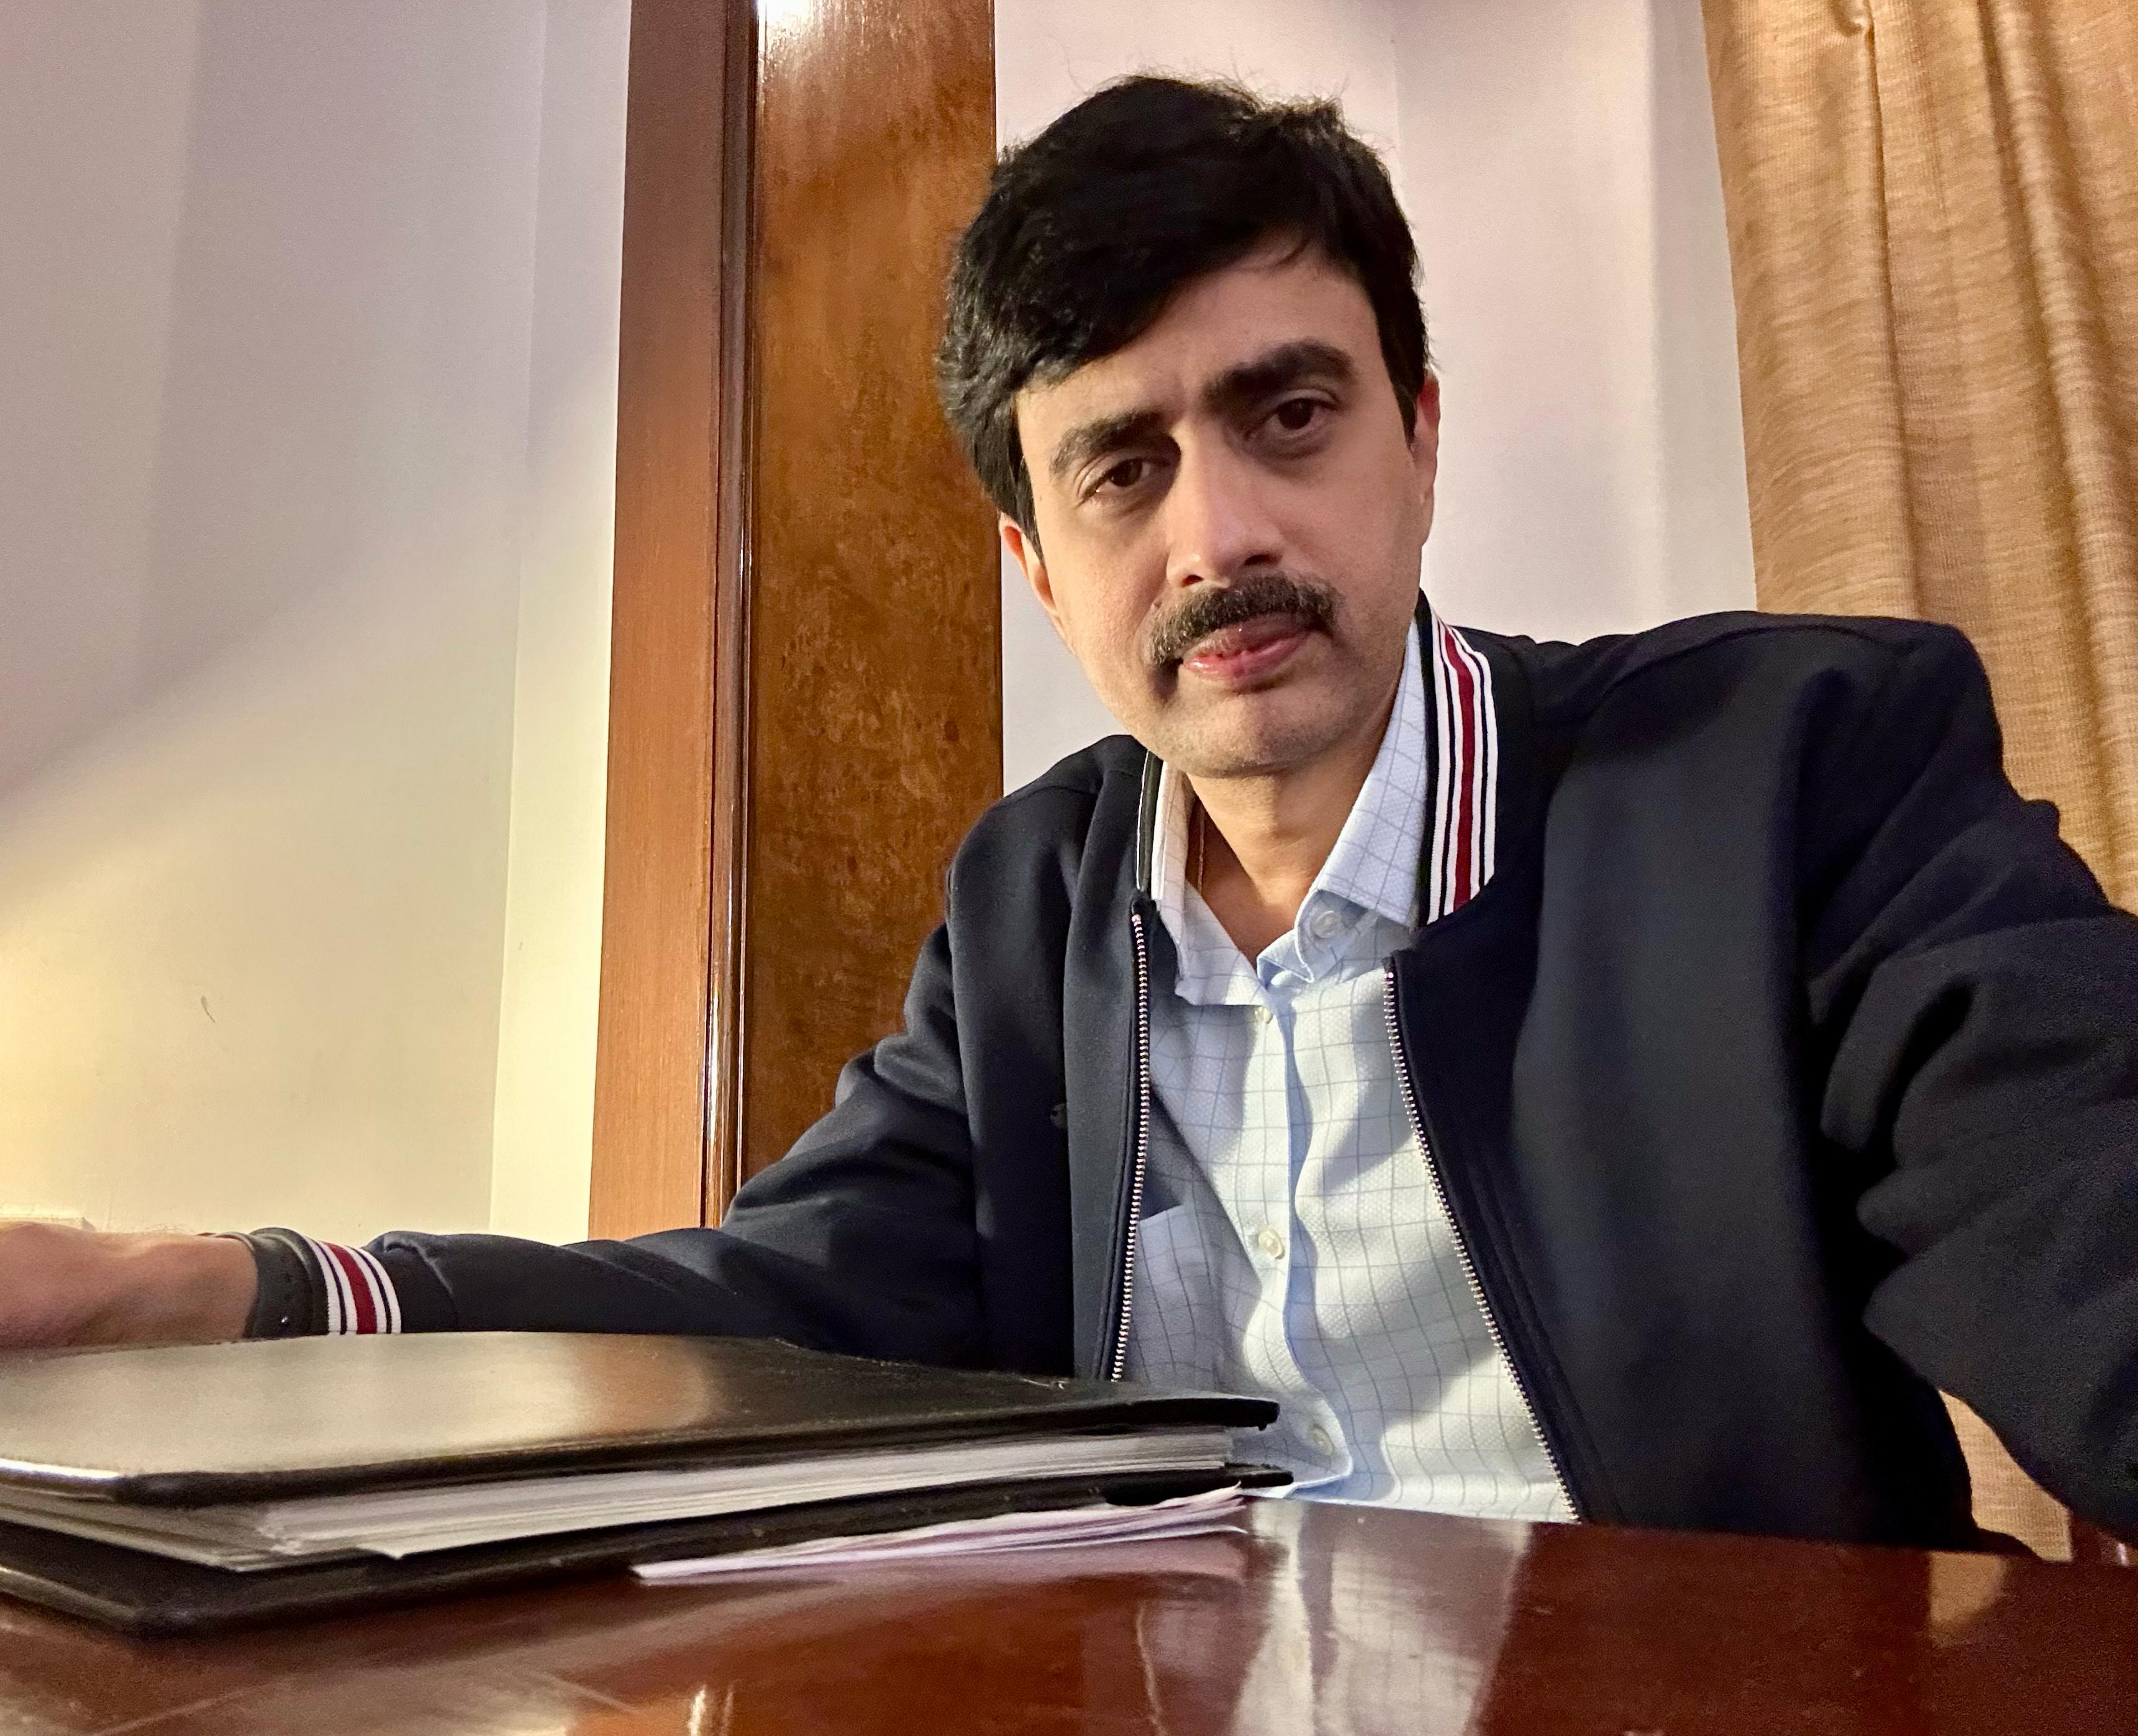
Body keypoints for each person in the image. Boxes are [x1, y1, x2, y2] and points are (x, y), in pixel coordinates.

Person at [6, 78, 2134, 1550]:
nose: (1220, 534)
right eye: (1120, 468)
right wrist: (221, 1292)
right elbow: (771, 1305)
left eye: (1288, 414)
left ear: (1415, 435)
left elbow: (2075, 1208)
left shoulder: (1786, 771)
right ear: (1035, 564)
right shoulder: (1037, 897)